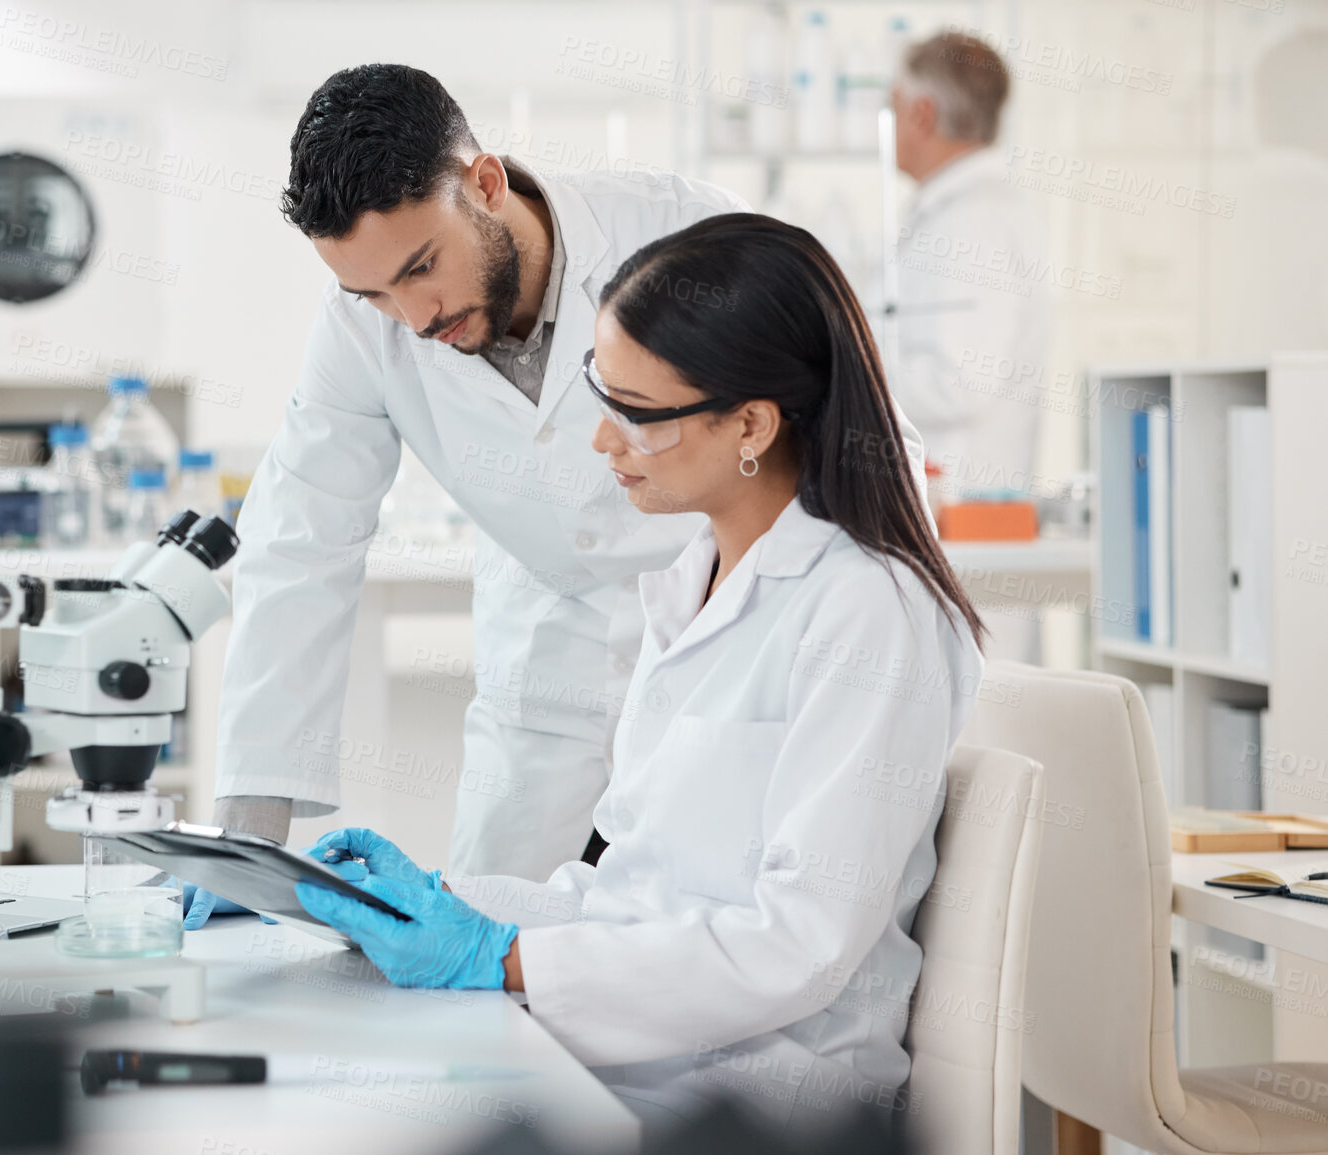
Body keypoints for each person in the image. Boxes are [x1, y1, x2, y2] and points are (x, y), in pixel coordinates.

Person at [294, 213, 987, 1135]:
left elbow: (799, 946)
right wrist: (437, 902)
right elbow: (623, 890)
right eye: (599, 393)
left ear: (750, 423)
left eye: (637, 414)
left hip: (767, 1093)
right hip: (644, 1052)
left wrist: (503, 961)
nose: (601, 441)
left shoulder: (871, 611)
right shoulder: (687, 575)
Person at [194, 65, 932, 924]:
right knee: (494, 982)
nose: (413, 315)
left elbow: (868, 440)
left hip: (732, 670)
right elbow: (300, 537)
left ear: (485, 182)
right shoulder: (364, 324)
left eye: (422, 266)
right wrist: (245, 840)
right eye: (373, 293)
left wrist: (839, 635)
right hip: (542, 695)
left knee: (728, 948)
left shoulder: (683, 235)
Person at [889, 31, 1050, 494]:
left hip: (959, 504)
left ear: (922, 114)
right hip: (941, 505)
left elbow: (958, 382)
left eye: (894, 106)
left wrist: (840, 368)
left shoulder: (974, 222)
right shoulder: (958, 211)